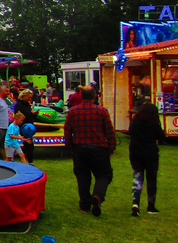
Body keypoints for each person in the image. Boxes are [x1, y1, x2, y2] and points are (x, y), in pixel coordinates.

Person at [63, 87, 116, 216]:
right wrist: (111, 148)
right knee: (104, 175)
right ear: (95, 97)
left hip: (80, 148)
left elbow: (67, 131)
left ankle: (84, 205)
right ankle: (97, 196)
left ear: (81, 96)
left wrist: (71, 146)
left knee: (82, 177)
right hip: (99, 148)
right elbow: (110, 132)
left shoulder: (73, 111)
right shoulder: (102, 111)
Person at [128, 102, 166, 216]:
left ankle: (135, 203)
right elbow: (162, 137)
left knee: (137, 177)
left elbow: (130, 132)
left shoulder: (135, 122)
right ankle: (151, 206)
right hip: (151, 154)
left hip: (135, 153)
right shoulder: (154, 124)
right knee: (151, 179)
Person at [14, 89, 39, 164]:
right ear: (24, 96)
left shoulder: (27, 104)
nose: (30, 99)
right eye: (28, 97)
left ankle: (21, 156)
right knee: (29, 144)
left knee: (28, 145)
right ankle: (29, 161)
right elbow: (18, 116)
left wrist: (33, 114)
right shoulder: (19, 105)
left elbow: (29, 113)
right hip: (24, 127)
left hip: (29, 126)